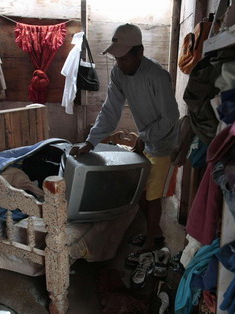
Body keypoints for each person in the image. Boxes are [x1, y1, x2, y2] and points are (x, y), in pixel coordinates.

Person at [69, 23, 180, 251]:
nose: (119, 63)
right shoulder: (119, 73)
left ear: (139, 52)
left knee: (152, 196)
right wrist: (91, 141)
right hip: (146, 138)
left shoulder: (157, 76)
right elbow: (111, 109)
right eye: (117, 58)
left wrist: (145, 137)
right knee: (139, 188)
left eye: (124, 58)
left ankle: (151, 242)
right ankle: (155, 233)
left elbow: (170, 117)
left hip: (163, 143)